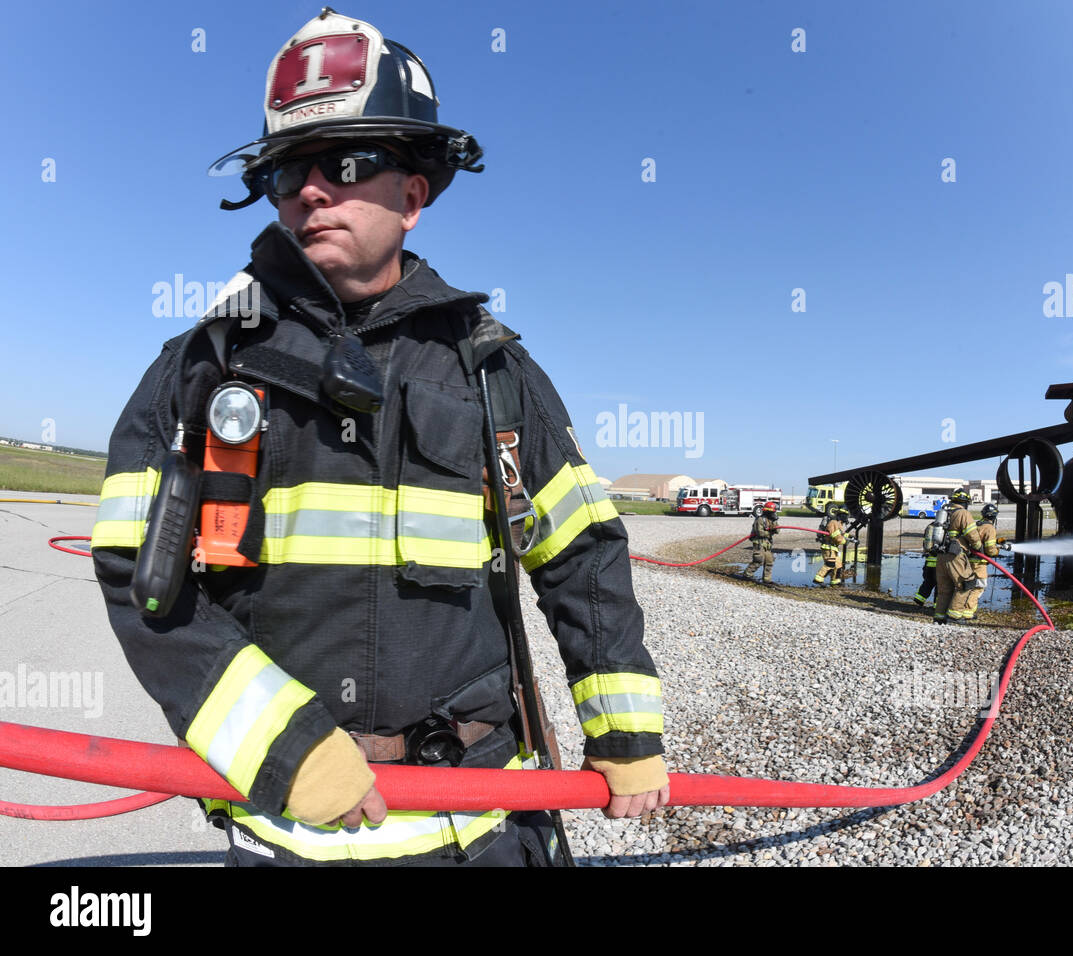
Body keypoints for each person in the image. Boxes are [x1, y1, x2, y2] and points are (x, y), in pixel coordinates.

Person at [90, 8, 667, 867]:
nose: (310, 190)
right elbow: (140, 579)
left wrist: (623, 734)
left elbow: (582, 556)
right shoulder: (201, 367)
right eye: (288, 171)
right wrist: (283, 748)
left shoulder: (489, 369)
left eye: (345, 161)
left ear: (413, 194)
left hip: (476, 822)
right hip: (289, 833)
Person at [933, 489, 982, 624]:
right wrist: (979, 547)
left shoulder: (945, 513)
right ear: (965, 503)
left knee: (944, 589)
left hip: (941, 555)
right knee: (967, 583)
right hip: (955, 555)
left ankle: (939, 618)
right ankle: (954, 616)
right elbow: (971, 533)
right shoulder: (963, 513)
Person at [964, 503, 1002, 621]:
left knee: (967, 585)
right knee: (979, 586)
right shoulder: (990, 528)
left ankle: (960, 608)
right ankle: (968, 612)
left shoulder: (976, 525)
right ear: (994, 517)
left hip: (967, 561)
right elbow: (990, 550)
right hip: (979, 563)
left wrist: (998, 542)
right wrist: (997, 551)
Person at [913, 500, 953, 608]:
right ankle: (937, 605)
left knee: (928, 582)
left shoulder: (930, 526)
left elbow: (926, 544)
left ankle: (919, 599)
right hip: (940, 562)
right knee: (941, 585)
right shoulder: (947, 528)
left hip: (929, 562)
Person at [742, 500, 780, 583]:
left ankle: (767, 579)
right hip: (759, 543)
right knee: (758, 560)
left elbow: (778, 531)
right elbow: (760, 532)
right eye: (772, 512)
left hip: (767, 544)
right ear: (766, 511)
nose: (773, 513)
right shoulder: (760, 520)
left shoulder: (772, 519)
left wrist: (775, 524)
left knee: (769, 562)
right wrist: (770, 532)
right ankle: (747, 575)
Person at [813, 507, 849, 585]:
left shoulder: (839, 524)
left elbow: (841, 533)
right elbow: (837, 538)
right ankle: (818, 579)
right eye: (845, 515)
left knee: (838, 565)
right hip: (828, 547)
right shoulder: (833, 522)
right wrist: (845, 541)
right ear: (841, 515)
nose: (847, 517)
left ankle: (835, 581)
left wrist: (850, 537)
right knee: (830, 564)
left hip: (833, 548)